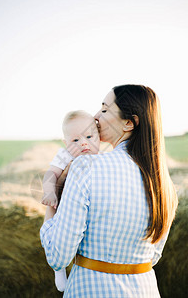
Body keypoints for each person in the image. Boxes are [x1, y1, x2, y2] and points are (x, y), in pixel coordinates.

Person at [40, 85, 178, 297]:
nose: (95, 117)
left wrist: (51, 208)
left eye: (104, 110)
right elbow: (153, 257)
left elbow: (58, 256)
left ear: (129, 122)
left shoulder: (86, 167)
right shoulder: (164, 185)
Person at [41, 110, 100, 292]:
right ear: (66, 143)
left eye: (89, 136)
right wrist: (50, 192)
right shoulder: (65, 156)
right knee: (53, 229)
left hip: (88, 207)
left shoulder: (103, 157)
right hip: (63, 205)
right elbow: (51, 173)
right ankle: (58, 269)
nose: (83, 143)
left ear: (99, 137)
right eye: (75, 140)